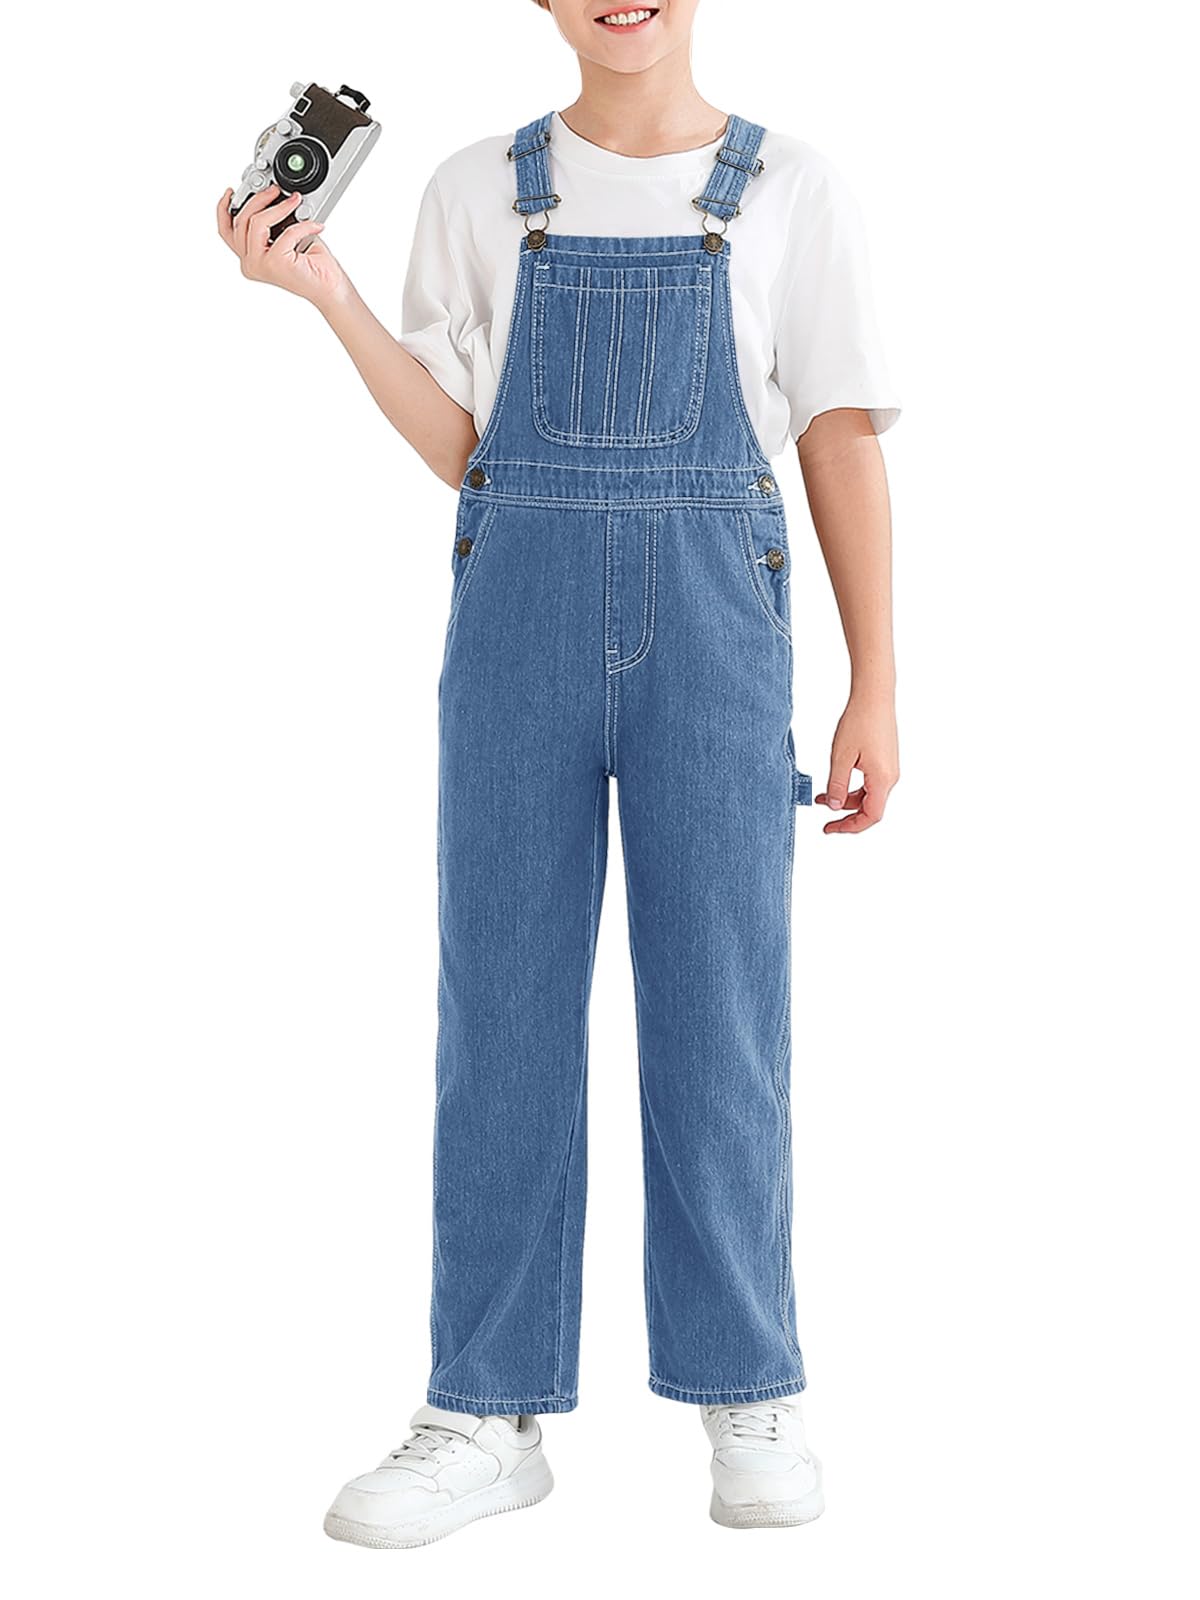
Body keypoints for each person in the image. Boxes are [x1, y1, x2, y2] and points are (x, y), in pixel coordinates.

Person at [216, 0, 900, 1548]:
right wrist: (325, 291)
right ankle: (485, 1404)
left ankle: (747, 1383)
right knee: (502, 1010)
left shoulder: (795, 189)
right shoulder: (477, 188)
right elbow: (469, 449)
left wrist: (877, 679)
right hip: (515, 627)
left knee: (722, 1011)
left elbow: (841, 434)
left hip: (718, 638)